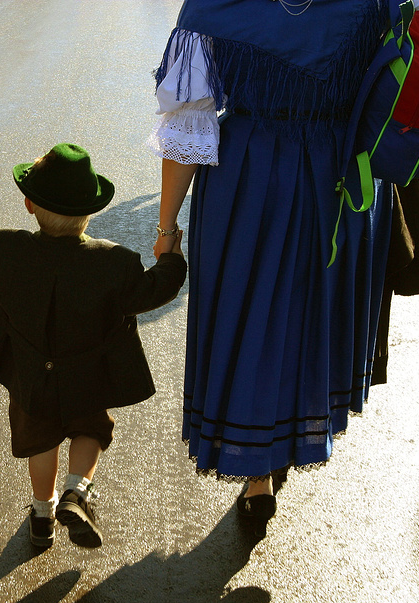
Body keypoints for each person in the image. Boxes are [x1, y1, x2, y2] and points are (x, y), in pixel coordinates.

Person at [148, 0, 394, 538]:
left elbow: (187, 126)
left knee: (254, 314)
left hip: (251, 176)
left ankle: (257, 470)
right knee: (311, 317)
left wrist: (167, 230)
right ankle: (293, 435)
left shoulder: (213, 8)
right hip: (342, 177)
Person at [0, 144, 187, 548]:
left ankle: (42, 515)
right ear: (89, 212)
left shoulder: (6, 251)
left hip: (30, 378)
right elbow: (156, 288)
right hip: (89, 375)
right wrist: (171, 258)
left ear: (29, 205)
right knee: (90, 428)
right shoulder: (115, 263)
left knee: (40, 439)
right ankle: (77, 491)